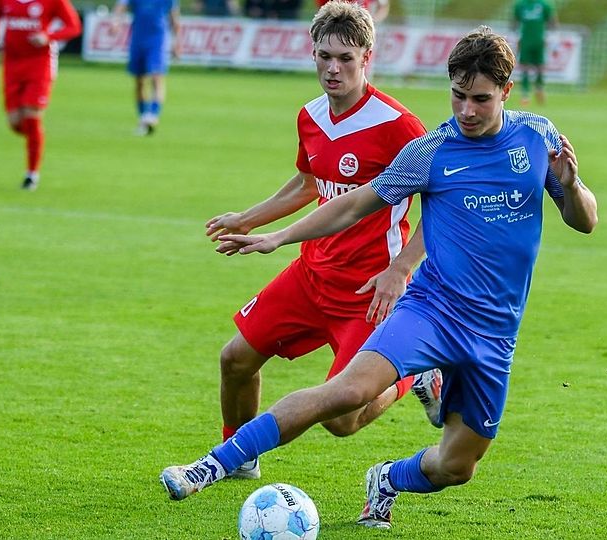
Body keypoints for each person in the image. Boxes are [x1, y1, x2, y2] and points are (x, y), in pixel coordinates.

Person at [159, 24, 598, 532]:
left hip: (496, 333)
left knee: (457, 467)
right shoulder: (432, 150)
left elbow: (584, 221)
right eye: (458, 96)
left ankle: (386, 479)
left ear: (506, 90)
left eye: (480, 99)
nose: (466, 111)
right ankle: (212, 465)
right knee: (345, 395)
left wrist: (571, 184)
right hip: (433, 310)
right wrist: (279, 237)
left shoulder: (537, 137)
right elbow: (353, 204)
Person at [165, 0, 438, 485]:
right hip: (312, 275)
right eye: (324, 56)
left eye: (345, 59)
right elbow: (308, 182)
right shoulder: (311, 115)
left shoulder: (398, 126)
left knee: (341, 418)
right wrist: (248, 218)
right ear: (312, 53)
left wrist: (401, 270)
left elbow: (439, 204)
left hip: (368, 290)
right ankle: (241, 456)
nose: (333, 69)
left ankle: (414, 375)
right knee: (235, 359)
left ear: (367, 57)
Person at [0, 0, 82, 190]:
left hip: (40, 64)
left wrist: (48, 36)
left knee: (31, 116)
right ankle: (37, 139)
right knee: (15, 123)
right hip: (12, 65)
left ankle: (31, 174)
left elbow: (74, 27)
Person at [112, 0, 181, 135]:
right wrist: (115, 22)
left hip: (158, 39)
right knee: (139, 81)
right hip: (138, 38)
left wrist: (176, 42)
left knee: (156, 77)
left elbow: (174, 18)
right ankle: (143, 117)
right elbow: (121, 6)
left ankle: (153, 115)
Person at [512, 0, 557, 106]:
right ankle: (525, 94)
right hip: (525, 40)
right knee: (525, 67)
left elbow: (552, 22)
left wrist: (549, 36)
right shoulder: (521, 4)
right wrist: (516, 36)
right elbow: (514, 23)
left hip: (539, 40)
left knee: (540, 67)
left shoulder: (544, 4)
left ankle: (539, 89)